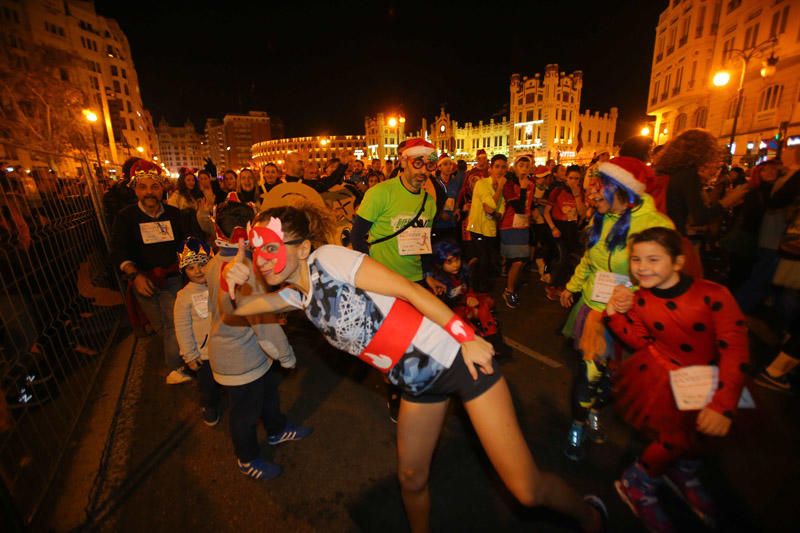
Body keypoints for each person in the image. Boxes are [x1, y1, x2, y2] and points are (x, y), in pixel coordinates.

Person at [223, 203, 607, 533]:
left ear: (303, 247)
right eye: (258, 253)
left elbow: (408, 290)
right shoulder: (297, 296)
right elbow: (236, 310)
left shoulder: (329, 260)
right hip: (416, 384)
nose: (263, 260)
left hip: (456, 360)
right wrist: (232, 281)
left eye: (271, 248)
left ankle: (591, 515)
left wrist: (467, 336)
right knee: (411, 478)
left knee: (526, 490)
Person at [604, 227, 749, 532]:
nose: (642, 267)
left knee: (699, 438)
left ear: (679, 262)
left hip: (711, 381)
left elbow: (735, 348)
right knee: (673, 439)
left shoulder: (713, 295)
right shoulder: (640, 300)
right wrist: (614, 313)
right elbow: (640, 340)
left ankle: (682, 469)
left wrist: (723, 404)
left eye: (653, 259)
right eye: (636, 259)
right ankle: (637, 482)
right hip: (664, 381)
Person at [559, 157, 674, 460]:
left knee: (615, 379)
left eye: (601, 188)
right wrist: (572, 286)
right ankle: (578, 423)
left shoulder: (654, 224)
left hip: (634, 317)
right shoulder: (604, 217)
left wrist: (633, 292)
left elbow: (666, 275)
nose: (594, 194)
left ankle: (596, 409)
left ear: (622, 189)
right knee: (589, 374)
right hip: (596, 312)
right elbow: (589, 259)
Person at [208, 194, 311, 480]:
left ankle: (277, 430)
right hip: (239, 360)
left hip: (248, 354)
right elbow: (263, 327)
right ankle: (247, 458)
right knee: (244, 415)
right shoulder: (243, 274)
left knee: (267, 396)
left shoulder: (216, 261)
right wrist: (287, 356)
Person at [351, 138, 442, 422]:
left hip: (414, 282)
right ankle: (393, 392)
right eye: (417, 163)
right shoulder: (380, 194)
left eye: (429, 164)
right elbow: (357, 237)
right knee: (390, 345)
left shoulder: (429, 201)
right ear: (403, 162)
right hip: (384, 284)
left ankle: (410, 387)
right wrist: (372, 275)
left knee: (413, 342)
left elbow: (424, 242)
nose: (423, 171)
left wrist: (429, 275)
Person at [110, 161, 191, 384]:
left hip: (172, 280)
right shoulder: (125, 217)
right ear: (135, 189)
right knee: (161, 326)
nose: (149, 192)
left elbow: (186, 243)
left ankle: (178, 368)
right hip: (142, 281)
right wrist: (134, 275)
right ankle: (180, 359)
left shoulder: (174, 215)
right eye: (143, 187)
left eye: (154, 187)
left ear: (162, 188)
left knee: (173, 323)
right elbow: (118, 249)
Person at [173, 236, 221, 425]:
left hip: (227, 347)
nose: (198, 271)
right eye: (191, 267)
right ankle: (209, 405)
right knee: (208, 386)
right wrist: (190, 355)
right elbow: (182, 327)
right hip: (205, 353)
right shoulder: (184, 297)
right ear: (184, 271)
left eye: (202, 264)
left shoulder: (219, 284)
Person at [544, 165, 587, 301]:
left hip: (572, 229)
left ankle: (562, 285)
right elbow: (546, 212)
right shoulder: (557, 191)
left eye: (577, 179)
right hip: (558, 228)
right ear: (566, 178)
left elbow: (582, 213)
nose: (573, 181)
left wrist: (577, 196)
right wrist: (553, 228)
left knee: (569, 258)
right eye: (571, 178)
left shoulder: (580, 192)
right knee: (562, 257)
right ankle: (553, 285)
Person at [467, 154, 507, 294]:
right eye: (497, 167)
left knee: (489, 262)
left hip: (490, 230)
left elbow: (498, 214)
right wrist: (500, 188)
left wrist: (493, 212)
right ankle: (478, 291)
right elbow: (491, 206)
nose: (500, 170)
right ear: (490, 169)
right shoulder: (481, 184)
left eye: (503, 167)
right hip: (477, 228)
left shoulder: (502, 192)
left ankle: (481, 291)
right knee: (482, 259)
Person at [498, 155, 533, 308]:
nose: (524, 169)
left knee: (521, 260)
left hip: (524, 226)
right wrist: (523, 188)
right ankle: (509, 291)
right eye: (521, 165)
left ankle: (511, 286)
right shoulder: (509, 184)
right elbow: (518, 207)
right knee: (517, 261)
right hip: (509, 226)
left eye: (527, 166)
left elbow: (528, 206)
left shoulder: (531, 184)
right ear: (515, 167)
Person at [431, 153, 463, 244]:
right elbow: (431, 202)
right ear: (439, 167)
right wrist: (440, 213)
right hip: (437, 224)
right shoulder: (435, 183)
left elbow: (455, 199)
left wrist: (457, 209)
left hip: (451, 223)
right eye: (445, 164)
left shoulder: (455, 183)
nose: (449, 167)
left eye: (450, 164)